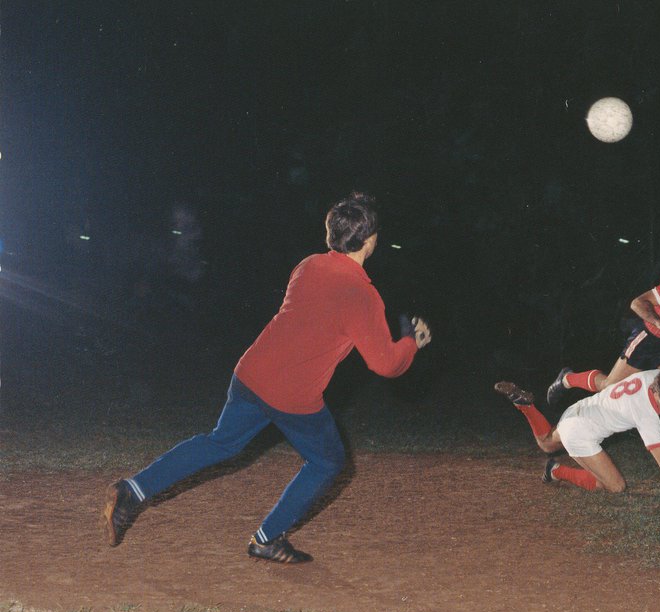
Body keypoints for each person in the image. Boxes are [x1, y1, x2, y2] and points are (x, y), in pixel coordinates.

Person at [103, 191, 432, 564]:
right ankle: (267, 538)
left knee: (220, 443)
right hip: (293, 395)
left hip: (252, 373)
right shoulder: (363, 294)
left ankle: (133, 489)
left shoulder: (309, 265)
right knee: (327, 462)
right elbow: (385, 364)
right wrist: (411, 342)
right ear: (370, 240)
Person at [546, 237, 660, 493]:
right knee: (608, 387)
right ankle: (568, 378)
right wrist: (659, 322)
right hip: (648, 341)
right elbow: (638, 303)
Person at [494, 370, 660, 509]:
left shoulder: (656, 377)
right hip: (580, 434)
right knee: (615, 486)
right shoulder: (646, 414)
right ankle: (556, 471)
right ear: (656, 393)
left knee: (546, 443)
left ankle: (524, 405)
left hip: (579, 409)